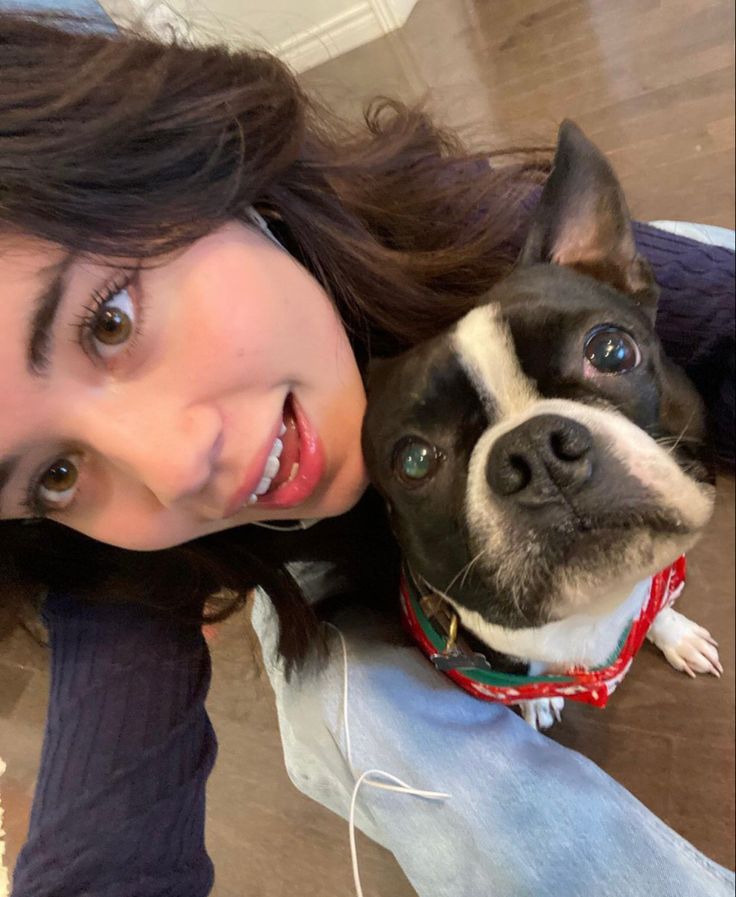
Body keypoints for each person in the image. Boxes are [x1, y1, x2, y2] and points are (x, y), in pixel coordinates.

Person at [0, 9, 734, 897]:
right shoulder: (109, 556)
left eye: (110, 321)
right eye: (57, 473)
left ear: (195, 163)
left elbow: (714, 319)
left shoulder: (464, 222)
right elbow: (105, 825)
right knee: (343, 712)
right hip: (335, 565)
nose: (178, 465)